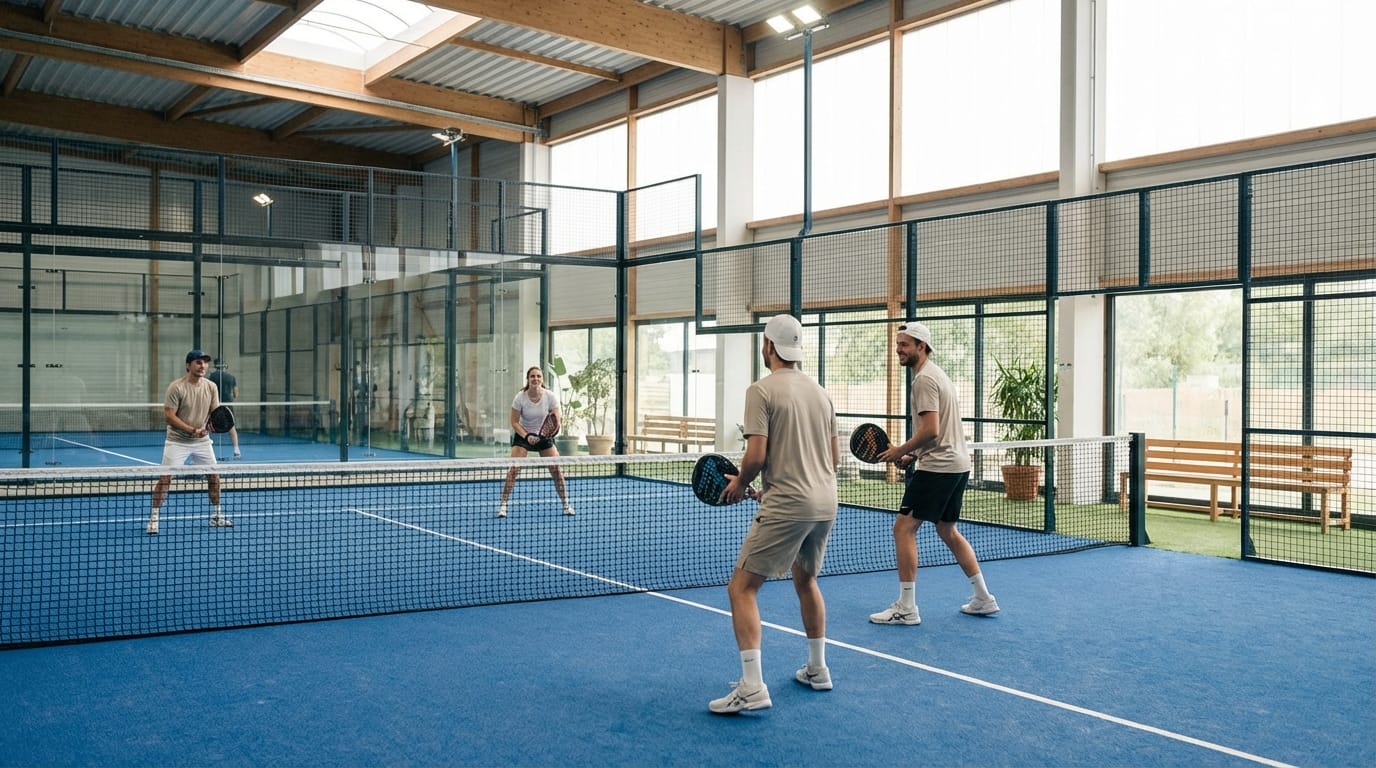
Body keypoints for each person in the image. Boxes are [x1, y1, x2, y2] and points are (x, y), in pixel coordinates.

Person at [709, 314, 840, 715]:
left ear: (768, 346)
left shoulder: (760, 391)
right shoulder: (820, 393)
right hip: (825, 502)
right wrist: (773, 485)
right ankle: (818, 669)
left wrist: (738, 484)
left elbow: (756, 455)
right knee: (807, 580)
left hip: (789, 505)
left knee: (742, 589)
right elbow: (832, 458)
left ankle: (752, 687)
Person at [870, 321, 998, 625]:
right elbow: (937, 435)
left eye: (905, 344)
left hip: (939, 468)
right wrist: (914, 454)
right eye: (898, 343)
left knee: (903, 528)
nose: (898, 349)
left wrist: (900, 450)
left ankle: (906, 607)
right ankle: (983, 598)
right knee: (946, 529)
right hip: (956, 465)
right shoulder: (937, 374)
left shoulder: (924, 380)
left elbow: (931, 430)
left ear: (921, 347)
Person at [147, 349, 232, 534]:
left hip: (202, 442)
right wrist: (192, 430)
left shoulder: (211, 387)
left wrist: (209, 427)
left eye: (205, 362)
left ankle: (216, 516)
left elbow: (215, 412)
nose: (203, 366)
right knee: (165, 479)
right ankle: (153, 519)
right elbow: (169, 416)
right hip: (177, 441)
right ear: (188, 365)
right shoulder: (176, 387)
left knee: (215, 477)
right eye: (198, 362)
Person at [497, 366, 574, 518]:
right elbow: (514, 422)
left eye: (538, 376)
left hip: (544, 436)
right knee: (514, 469)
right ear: (528, 379)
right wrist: (527, 436)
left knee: (557, 470)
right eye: (532, 376)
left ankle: (566, 504)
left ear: (542, 379)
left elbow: (556, 420)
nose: (535, 379)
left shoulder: (550, 396)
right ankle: (503, 505)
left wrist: (544, 435)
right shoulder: (520, 397)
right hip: (523, 435)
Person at [206, 358, 241, 459]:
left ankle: (204, 452)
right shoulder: (231, 377)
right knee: (231, 427)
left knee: (206, 425)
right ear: (225, 366)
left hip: (213, 404)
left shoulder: (210, 377)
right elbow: (236, 394)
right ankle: (236, 449)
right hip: (227, 404)